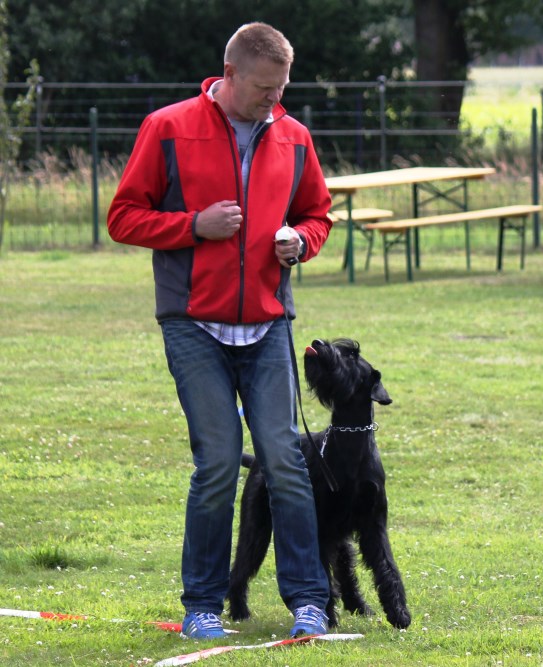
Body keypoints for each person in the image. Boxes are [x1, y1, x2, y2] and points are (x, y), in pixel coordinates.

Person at [107, 22, 333, 639]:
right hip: (192, 325)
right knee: (218, 463)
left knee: (285, 460)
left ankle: (310, 601)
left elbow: (318, 214)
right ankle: (202, 607)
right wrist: (192, 226)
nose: (273, 99)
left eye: (281, 87)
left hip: (267, 325)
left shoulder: (293, 137)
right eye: (263, 87)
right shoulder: (168, 127)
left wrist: (299, 242)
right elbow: (123, 217)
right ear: (229, 74)